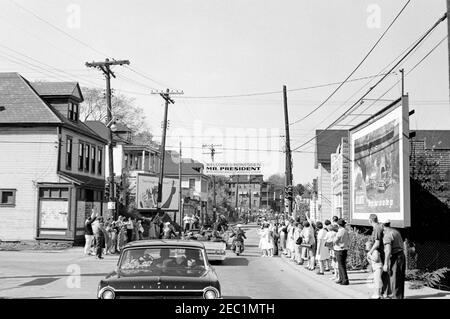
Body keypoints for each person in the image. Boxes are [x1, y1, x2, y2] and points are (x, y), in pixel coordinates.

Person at [380, 217, 406, 299]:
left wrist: (385, 263)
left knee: (394, 279)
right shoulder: (396, 231)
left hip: (396, 257)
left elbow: (388, 250)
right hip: (402, 255)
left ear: (382, 225)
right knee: (400, 279)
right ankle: (399, 296)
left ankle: (396, 297)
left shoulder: (387, 235)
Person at [368, 214, 391, 298]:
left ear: (370, 221)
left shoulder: (377, 228)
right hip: (382, 253)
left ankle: (377, 294)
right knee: (383, 275)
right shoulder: (380, 226)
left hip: (378, 253)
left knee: (377, 274)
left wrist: (369, 252)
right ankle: (385, 293)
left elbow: (377, 243)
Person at [333, 218, 350, 285]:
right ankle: (341, 278)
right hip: (344, 248)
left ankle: (345, 280)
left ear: (339, 225)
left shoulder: (340, 231)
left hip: (339, 248)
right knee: (341, 265)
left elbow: (335, 240)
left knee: (341, 265)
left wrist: (333, 238)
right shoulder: (346, 230)